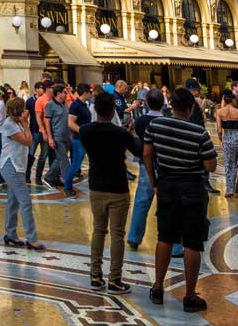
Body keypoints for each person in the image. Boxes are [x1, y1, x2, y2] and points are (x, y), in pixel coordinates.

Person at [143, 86, 215, 313]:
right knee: (192, 242)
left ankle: (157, 287)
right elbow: (210, 165)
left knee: (164, 237)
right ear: (191, 107)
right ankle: (190, 295)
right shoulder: (199, 132)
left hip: (166, 185)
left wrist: (154, 181)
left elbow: (146, 154)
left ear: (170, 105)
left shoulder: (155, 125)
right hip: (192, 188)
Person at [82, 90, 140, 292]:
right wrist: (130, 133)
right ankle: (115, 279)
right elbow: (139, 151)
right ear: (113, 109)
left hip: (96, 186)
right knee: (117, 234)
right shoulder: (121, 134)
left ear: (96, 109)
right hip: (118, 186)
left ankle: (95, 276)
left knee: (98, 230)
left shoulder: (85, 131)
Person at [127, 88, 182, 259]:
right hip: (166, 165)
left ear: (147, 103)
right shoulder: (168, 121)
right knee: (169, 205)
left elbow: (135, 141)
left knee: (142, 201)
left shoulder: (140, 121)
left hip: (146, 164)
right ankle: (174, 244)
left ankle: (134, 237)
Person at [0, 96, 42, 251]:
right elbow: (28, 141)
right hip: (10, 166)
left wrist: (24, 123)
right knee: (25, 201)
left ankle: (10, 233)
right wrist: (26, 125)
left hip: (18, 165)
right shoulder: (9, 124)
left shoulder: (17, 122)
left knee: (13, 201)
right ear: (19, 110)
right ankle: (32, 239)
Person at [214, 91, 238, 198]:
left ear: (224, 100)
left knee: (229, 165)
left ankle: (230, 190)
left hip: (228, 138)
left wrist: (221, 140)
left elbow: (219, 129)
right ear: (233, 100)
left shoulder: (219, 112)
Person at [43, 83, 72, 193]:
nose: (66, 94)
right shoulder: (50, 105)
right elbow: (47, 123)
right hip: (57, 136)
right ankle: (67, 184)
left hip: (67, 136)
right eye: (64, 92)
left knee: (59, 159)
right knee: (64, 160)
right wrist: (50, 138)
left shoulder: (64, 105)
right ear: (59, 93)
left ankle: (50, 177)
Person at [66, 84, 94, 194]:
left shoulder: (83, 105)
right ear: (85, 92)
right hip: (79, 139)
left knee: (87, 161)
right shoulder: (76, 105)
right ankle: (67, 186)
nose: (91, 94)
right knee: (76, 163)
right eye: (90, 92)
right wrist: (82, 131)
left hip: (85, 138)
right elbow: (70, 122)